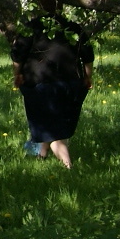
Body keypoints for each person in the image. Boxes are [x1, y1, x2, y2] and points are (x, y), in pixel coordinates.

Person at [11, 17, 94, 167]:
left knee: (55, 132)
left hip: (39, 82)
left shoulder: (31, 28)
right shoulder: (72, 27)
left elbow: (18, 55)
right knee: (53, 122)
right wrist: (88, 77)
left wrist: (17, 74)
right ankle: (41, 155)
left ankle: (68, 167)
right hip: (71, 82)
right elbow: (87, 55)